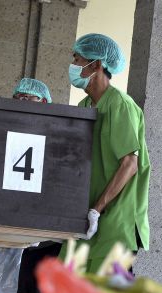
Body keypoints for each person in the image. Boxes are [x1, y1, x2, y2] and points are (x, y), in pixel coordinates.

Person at [60, 33, 150, 273]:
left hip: (115, 222)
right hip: (87, 222)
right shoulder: (84, 108)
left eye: (77, 59)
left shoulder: (120, 104)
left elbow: (130, 164)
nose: (73, 65)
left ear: (96, 64)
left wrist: (96, 210)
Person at [0, 78, 53, 293]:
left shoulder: (54, 137)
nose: (22, 103)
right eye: (18, 98)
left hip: (33, 232)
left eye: (29, 99)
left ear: (45, 102)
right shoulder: (1, 131)